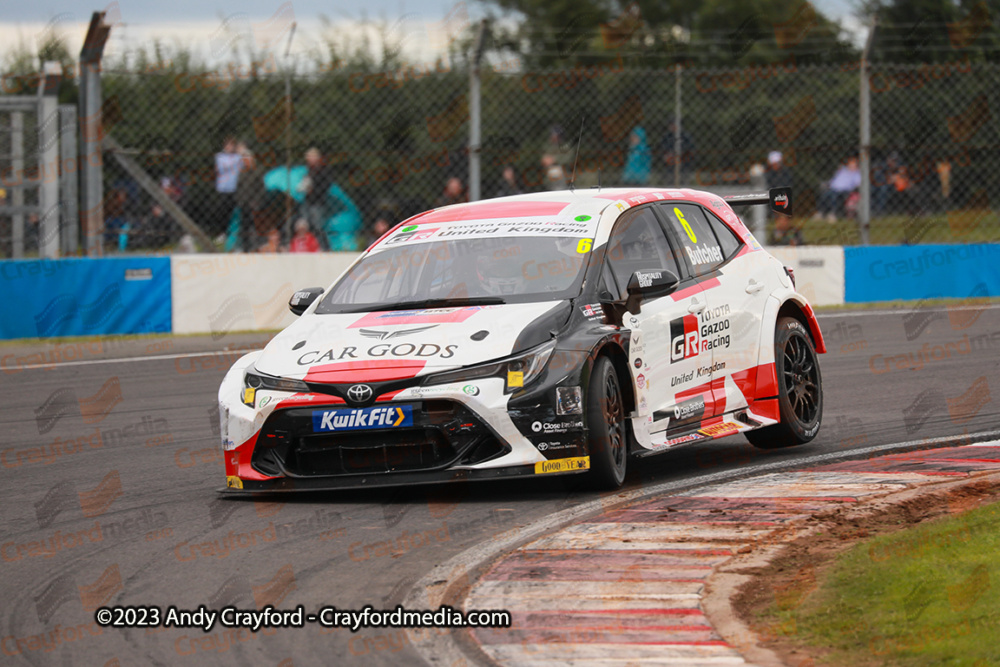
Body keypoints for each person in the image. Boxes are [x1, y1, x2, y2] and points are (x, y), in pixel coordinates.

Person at [297, 147, 333, 244]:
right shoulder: (309, 170)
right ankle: (308, 245)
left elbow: (325, 186)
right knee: (305, 224)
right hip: (308, 201)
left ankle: (323, 246)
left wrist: (313, 189)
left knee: (318, 226)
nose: (308, 159)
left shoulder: (323, 170)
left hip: (318, 202)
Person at [234, 146, 265, 252]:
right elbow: (238, 188)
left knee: (256, 226)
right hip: (244, 204)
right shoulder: (241, 172)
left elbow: (261, 188)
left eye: (247, 158)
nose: (245, 160)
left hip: (255, 204)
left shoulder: (258, 170)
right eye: (244, 158)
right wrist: (239, 200)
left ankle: (257, 246)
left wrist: (256, 201)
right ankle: (245, 247)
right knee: (244, 227)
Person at [815, 156, 861, 222]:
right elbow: (833, 180)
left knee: (833, 195)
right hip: (832, 188)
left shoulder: (857, 174)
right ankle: (820, 213)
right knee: (824, 195)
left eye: (853, 165)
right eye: (850, 164)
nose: (851, 166)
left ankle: (832, 214)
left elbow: (858, 184)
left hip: (844, 191)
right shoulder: (842, 171)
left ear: (856, 166)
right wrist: (827, 184)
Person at [214, 137, 243, 230]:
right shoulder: (219, 156)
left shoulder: (238, 157)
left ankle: (231, 231)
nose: (229, 147)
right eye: (228, 145)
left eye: (231, 145)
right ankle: (221, 231)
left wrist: (241, 153)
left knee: (233, 210)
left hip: (234, 187)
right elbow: (222, 168)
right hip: (223, 187)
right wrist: (236, 161)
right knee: (222, 210)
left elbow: (244, 166)